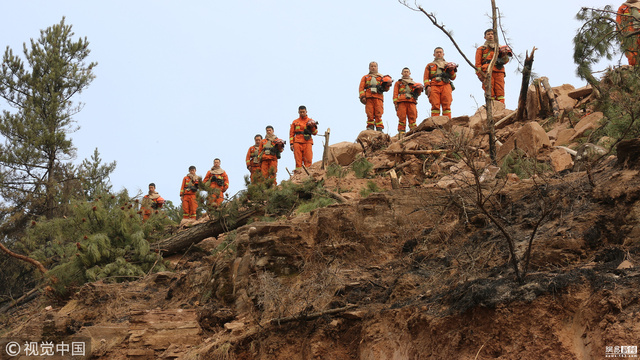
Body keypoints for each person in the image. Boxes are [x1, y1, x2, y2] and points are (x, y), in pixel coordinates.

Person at [475, 29, 511, 104]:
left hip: (499, 70)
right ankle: (491, 109)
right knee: (489, 91)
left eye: (492, 34)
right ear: (485, 37)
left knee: (500, 91)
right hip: (487, 71)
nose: (490, 35)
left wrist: (505, 55)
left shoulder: (500, 48)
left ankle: (501, 108)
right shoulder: (481, 49)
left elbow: (505, 61)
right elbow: (477, 64)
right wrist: (480, 75)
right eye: (488, 34)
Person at [424, 47, 457, 119]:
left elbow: (453, 77)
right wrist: (427, 87)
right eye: (437, 52)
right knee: (435, 106)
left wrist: (451, 70)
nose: (439, 54)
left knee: (447, 105)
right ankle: (435, 125)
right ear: (434, 54)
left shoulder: (449, 65)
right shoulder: (430, 65)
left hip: (446, 85)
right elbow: (426, 78)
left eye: (440, 52)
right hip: (434, 86)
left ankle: (447, 123)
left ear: (443, 54)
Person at [359, 61, 391, 131]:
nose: (373, 68)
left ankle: (379, 127)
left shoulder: (382, 77)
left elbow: (386, 89)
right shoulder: (365, 77)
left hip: (378, 97)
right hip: (369, 97)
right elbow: (361, 88)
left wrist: (388, 84)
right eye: (372, 66)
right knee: (369, 113)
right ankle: (370, 126)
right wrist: (362, 96)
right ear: (369, 68)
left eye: (375, 66)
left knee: (378, 113)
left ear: (377, 67)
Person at [393, 67, 420, 137]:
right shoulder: (398, 83)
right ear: (402, 73)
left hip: (411, 102)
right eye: (404, 71)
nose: (406, 73)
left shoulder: (414, 83)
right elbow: (395, 93)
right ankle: (401, 133)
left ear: (410, 73)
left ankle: (413, 131)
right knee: (402, 117)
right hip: (401, 102)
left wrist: (418, 90)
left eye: (407, 72)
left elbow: (418, 94)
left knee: (413, 117)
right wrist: (395, 103)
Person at [289, 105, 318, 171]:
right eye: (300, 112)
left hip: (307, 142)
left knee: (308, 159)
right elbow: (291, 134)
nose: (302, 113)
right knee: (298, 160)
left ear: (306, 112)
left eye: (303, 112)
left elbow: (315, 133)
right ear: (298, 112)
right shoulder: (295, 122)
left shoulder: (311, 121)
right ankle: (298, 175)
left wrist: (312, 127)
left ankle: (307, 175)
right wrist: (291, 144)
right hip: (297, 142)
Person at [617, 0, 640, 65]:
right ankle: (634, 71)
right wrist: (621, 37)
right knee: (631, 55)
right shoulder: (623, 8)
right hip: (629, 36)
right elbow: (619, 24)